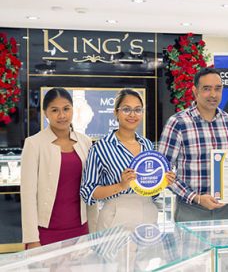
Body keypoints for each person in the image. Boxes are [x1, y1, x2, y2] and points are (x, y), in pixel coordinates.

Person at [80, 88, 175, 230]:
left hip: (147, 211)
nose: (132, 115)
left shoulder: (147, 145)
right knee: (115, 253)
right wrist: (120, 186)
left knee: (147, 252)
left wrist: (162, 182)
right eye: (126, 109)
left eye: (137, 110)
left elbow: (151, 191)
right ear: (116, 113)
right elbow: (88, 192)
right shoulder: (100, 147)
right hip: (115, 215)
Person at [158, 67, 228, 222]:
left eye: (218, 89)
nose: (213, 94)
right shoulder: (178, 123)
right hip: (190, 210)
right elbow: (163, 171)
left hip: (226, 210)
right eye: (206, 89)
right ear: (195, 91)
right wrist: (195, 197)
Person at [21, 87, 96, 248]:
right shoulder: (34, 144)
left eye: (66, 109)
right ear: (45, 113)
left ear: (73, 110)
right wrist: (31, 238)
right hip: (46, 231)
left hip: (80, 229)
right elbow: (27, 195)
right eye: (55, 110)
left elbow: (91, 188)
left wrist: (94, 232)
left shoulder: (85, 142)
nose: (62, 115)